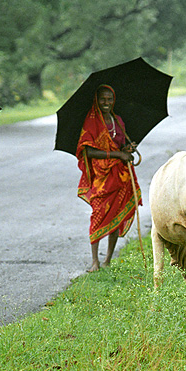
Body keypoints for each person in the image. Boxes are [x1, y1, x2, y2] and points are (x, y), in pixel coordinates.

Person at [76, 84, 141, 272]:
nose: (106, 102)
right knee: (98, 214)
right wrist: (117, 155)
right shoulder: (91, 122)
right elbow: (88, 151)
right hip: (101, 178)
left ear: (114, 101)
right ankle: (95, 261)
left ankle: (107, 260)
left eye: (110, 99)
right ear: (96, 100)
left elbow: (120, 146)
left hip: (120, 175)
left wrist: (127, 150)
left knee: (116, 216)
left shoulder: (118, 121)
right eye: (103, 99)